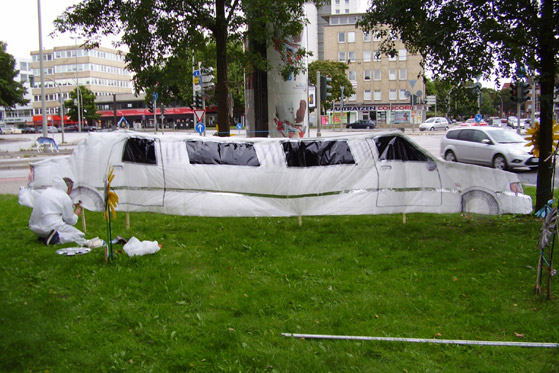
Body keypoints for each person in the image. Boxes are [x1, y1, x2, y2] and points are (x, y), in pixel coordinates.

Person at [29, 176, 86, 246]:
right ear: (69, 188)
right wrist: (76, 212)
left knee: (62, 229)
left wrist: (73, 206)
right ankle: (55, 238)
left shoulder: (47, 191)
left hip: (35, 227)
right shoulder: (64, 196)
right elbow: (70, 220)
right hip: (50, 226)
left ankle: (44, 236)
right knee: (79, 235)